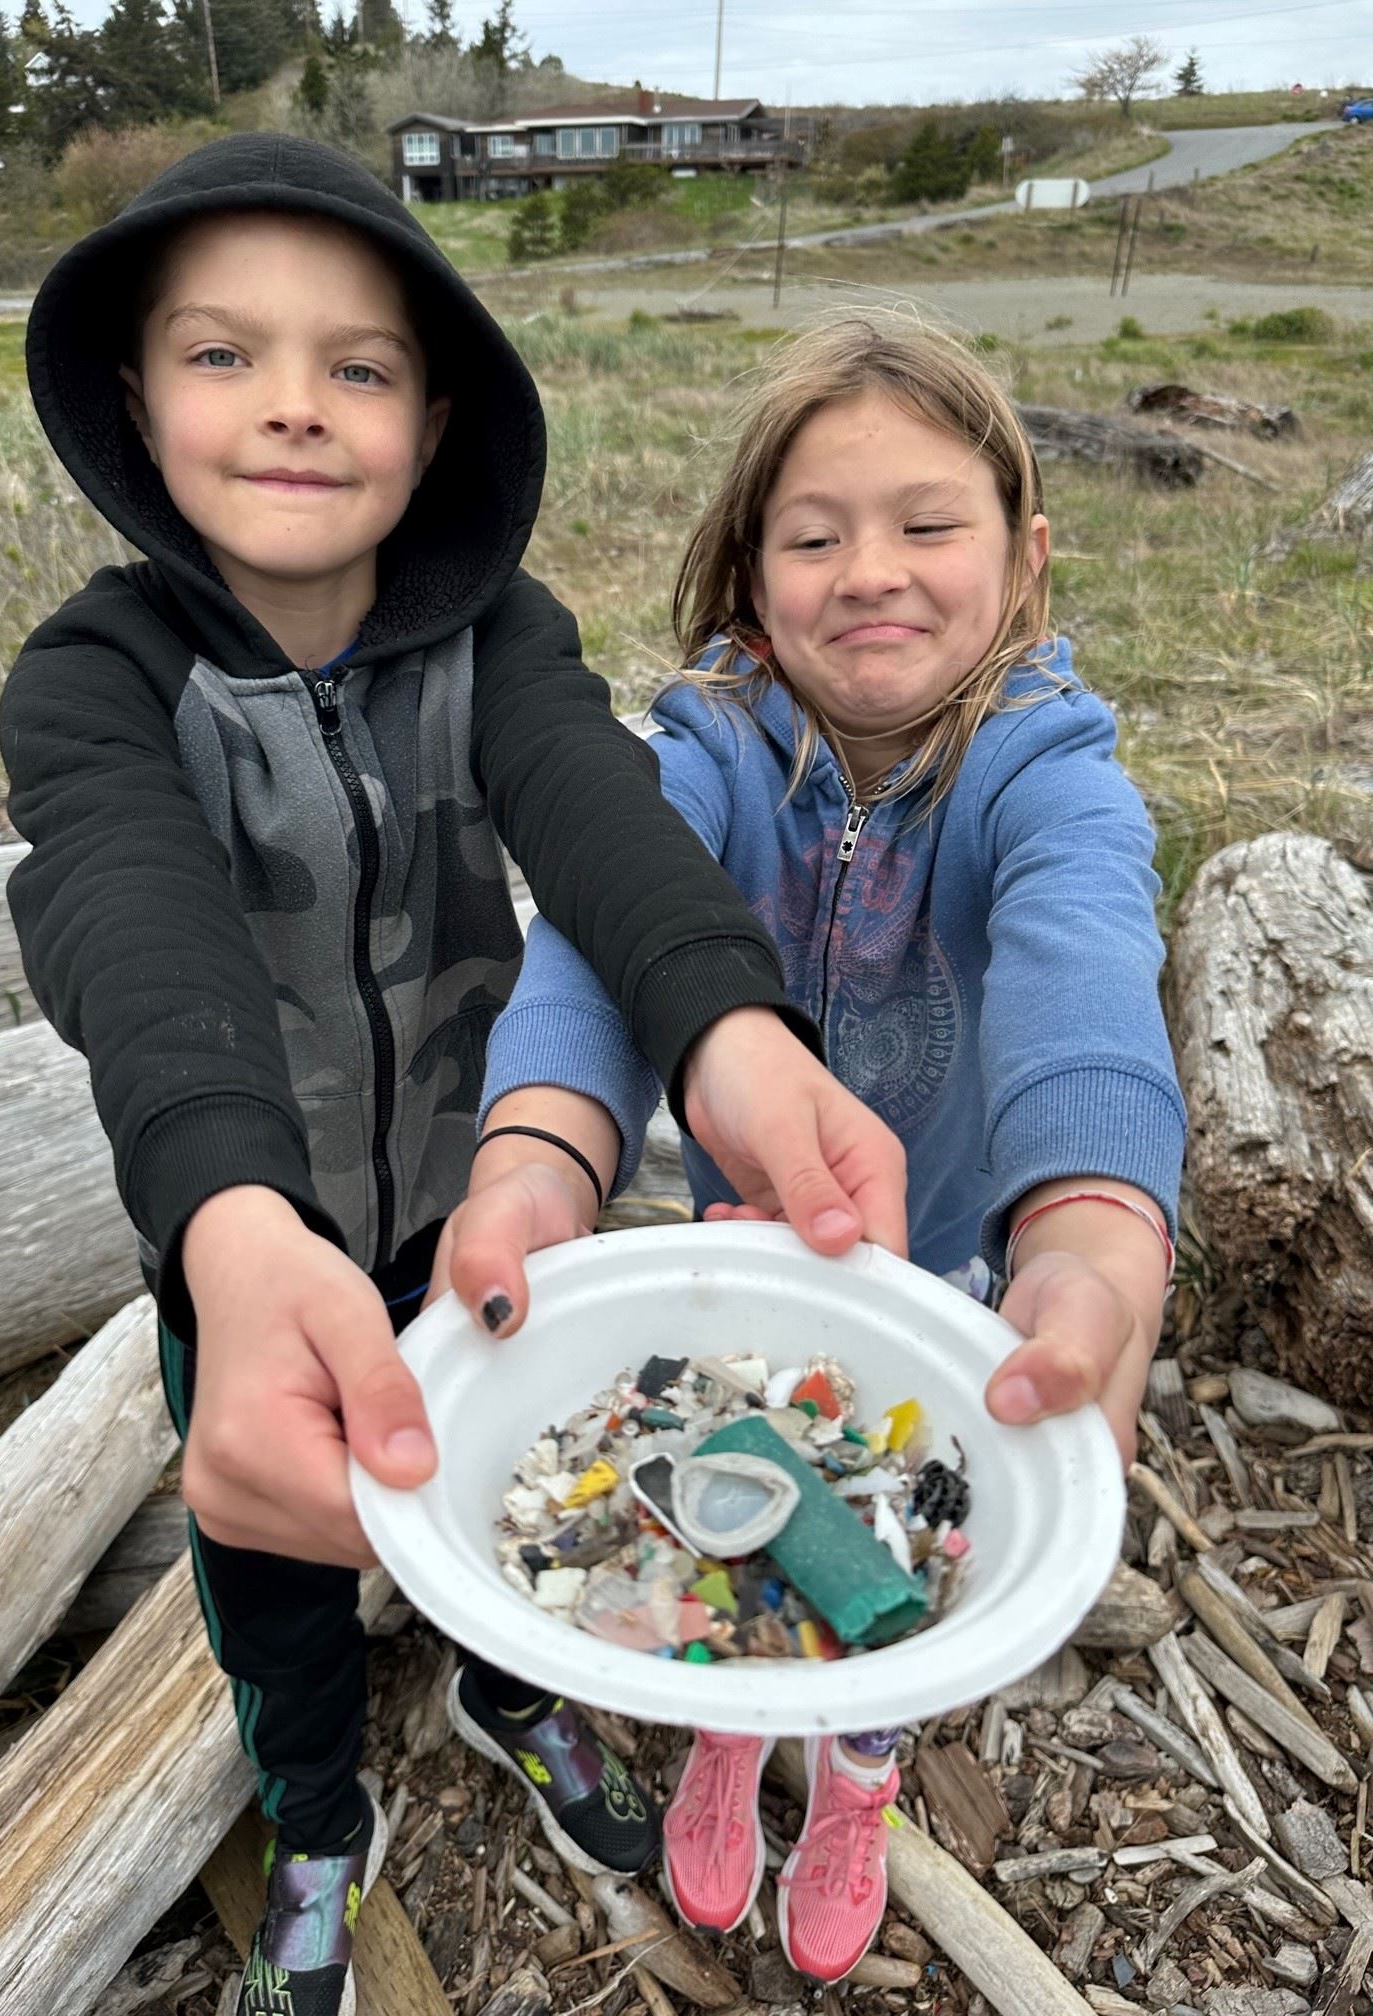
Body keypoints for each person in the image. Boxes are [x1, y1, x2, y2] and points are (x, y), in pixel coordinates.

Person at [0, 141, 909, 2016]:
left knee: (531, 1491)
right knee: (266, 1581)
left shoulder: (494, 643)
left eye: (360, 366)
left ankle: (511, 1690)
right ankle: (319, 1825)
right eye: (222, 354)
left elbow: (602, 817)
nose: (292, 408)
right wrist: (236, 1237)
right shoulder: (92, 681)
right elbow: (131, 929)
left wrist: (728, 1032)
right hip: (246, 1241)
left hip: (478, 1201)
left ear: (432, 423)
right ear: (131, 400)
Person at [441, 310, 1186, 1985]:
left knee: (912, 1511)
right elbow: (591, 952)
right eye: (815, 532)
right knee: (754, 1469)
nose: (874, 572)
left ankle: (862, 1751)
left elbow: (1085, 979)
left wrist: (1094, 1230)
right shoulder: (703, 753)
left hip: (961, 1263)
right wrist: (536, 1162)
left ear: (1025, 553)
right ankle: (733, 1705)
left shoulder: (1045, 769)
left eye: (931, 526)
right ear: (748, 566)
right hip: (755, 1242)